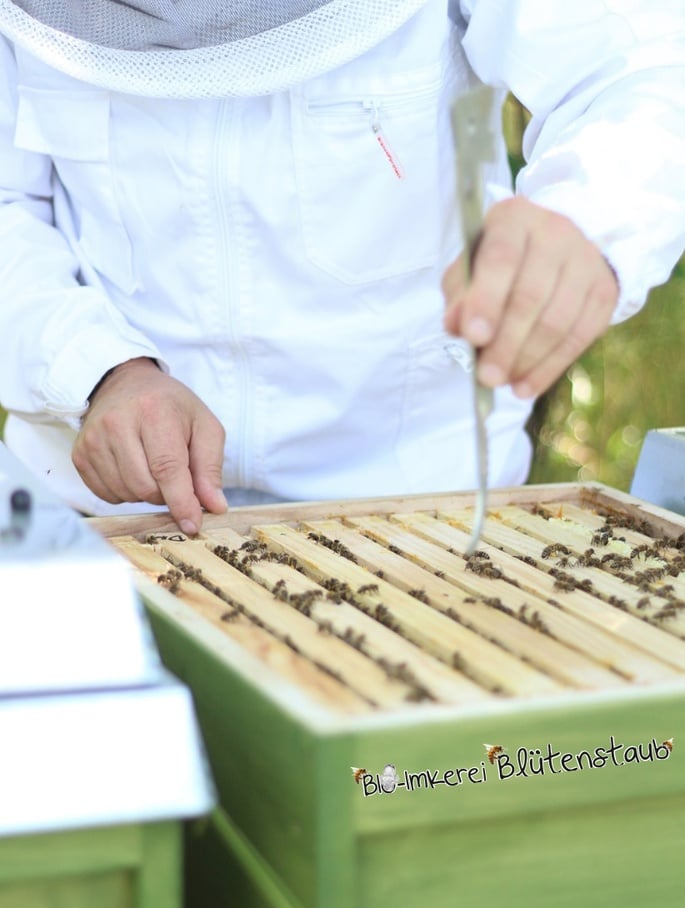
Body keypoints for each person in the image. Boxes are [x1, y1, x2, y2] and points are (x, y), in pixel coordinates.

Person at [0, 0, 683, 535]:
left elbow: (637, 68)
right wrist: (95, 370)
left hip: (425, 513)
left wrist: (589, 216)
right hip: (100, 514)